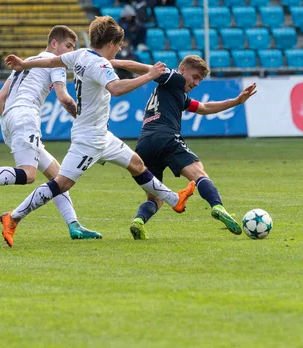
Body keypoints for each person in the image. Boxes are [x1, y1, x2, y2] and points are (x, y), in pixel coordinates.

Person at [0, 16, 195, 247]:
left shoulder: (81, 54)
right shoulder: (100, 64)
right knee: (61, 183)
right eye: (119, 44)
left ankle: (175, 200)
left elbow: (54, 62)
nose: (120, 48)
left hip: (101, 134)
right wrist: (149, 76)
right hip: (89, 139)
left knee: (137, 164)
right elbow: (116, 89)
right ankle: (12, 218)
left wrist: (25, 64)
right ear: (111, 42)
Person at [0, 25, 102, 240]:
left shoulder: (25, 62)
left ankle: (74, 225)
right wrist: (82, 118)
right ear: (54, 44)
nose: (70, 52)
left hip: (10, 118)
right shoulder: (55, 63)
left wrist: (10, 120)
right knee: (27, 174)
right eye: (68, 46)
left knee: (57, 175)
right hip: (25, 116)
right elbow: (64, 97)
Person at [110, 55, 257, 240]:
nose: (196, 83)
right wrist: (112, 62)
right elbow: (144, 68)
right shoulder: (174, 78)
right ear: (183, 70)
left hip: (144, 144)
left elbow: (204, 107)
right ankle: (218, 207)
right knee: (199, 175)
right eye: (195, 77)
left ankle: (138, 221)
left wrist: (236, 101)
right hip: (167, 138)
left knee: (155, 198)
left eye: (200, 80)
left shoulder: (175, 93)